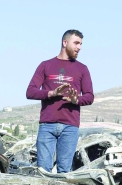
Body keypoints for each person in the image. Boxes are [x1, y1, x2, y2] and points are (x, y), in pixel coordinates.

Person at [25, 29, 94, 173]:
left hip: (70, 127)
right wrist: (51, 93)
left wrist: (76, 100)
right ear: (65, 42)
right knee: (43, 171)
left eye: (81, 44)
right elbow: (30, 92)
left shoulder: (82, 69)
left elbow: (89, 96)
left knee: (64, 172)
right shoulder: (45, 65)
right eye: (76, 43)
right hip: (47, 126)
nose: (79, 47)